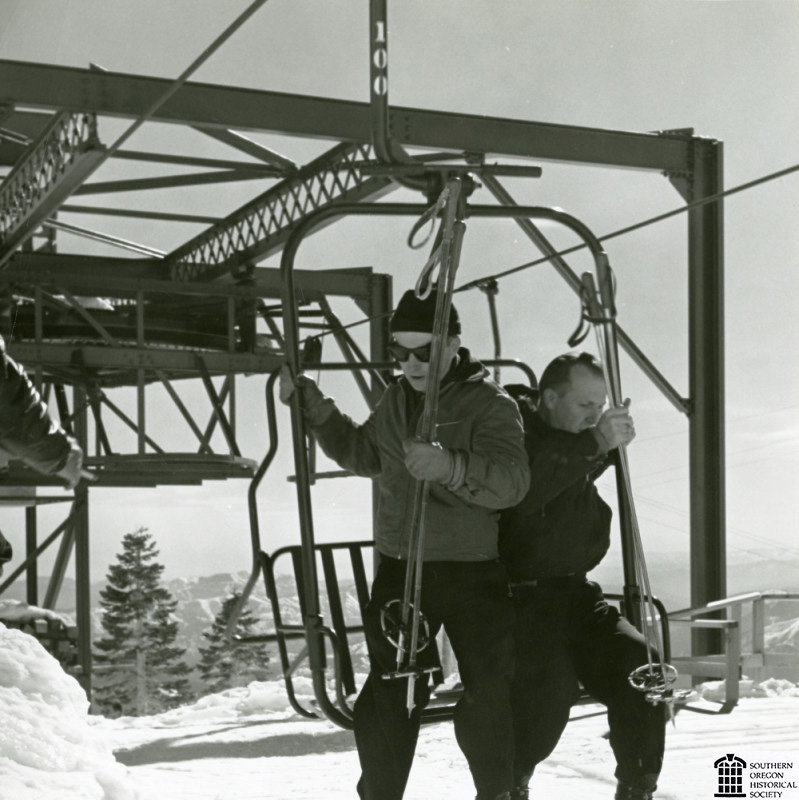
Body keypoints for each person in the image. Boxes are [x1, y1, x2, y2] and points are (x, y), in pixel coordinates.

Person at [280, 289, 530, 800]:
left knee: (487, 689)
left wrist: (451, 466)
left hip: (469, 569)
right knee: (393, 689)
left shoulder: (489, 404)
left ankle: (498, 791)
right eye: (401, 352)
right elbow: (367, 454)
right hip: (402, 566)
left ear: (453, 345)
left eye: (424, 351)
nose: (411, 364)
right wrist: (313, 406)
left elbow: (512, 483)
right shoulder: (396, 399)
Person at [499, 351, 667, 800]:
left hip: (574, 593)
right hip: (521, 599)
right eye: (585, 404)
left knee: (641, 667)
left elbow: (567, 468)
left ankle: (637, 785)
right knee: (550, 687)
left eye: (600, 406)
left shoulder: (573, 442)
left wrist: (604, 445)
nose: (594, 415)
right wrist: (597, 442)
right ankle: (510, 781)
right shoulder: (513, 434)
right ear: (551, 398)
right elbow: (529, 487)